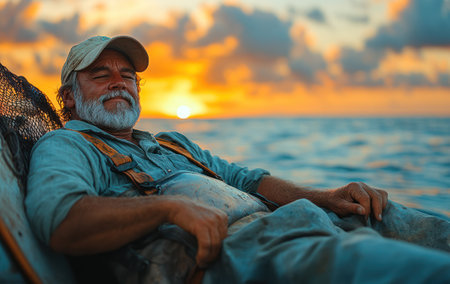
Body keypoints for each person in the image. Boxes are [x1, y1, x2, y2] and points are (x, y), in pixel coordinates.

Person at [25, 35, 450, 284]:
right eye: (101, 76)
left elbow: (246, 179)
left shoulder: (172, 143)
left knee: (398, 218)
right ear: (69, 98)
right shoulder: (68, 146)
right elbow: (61, 222)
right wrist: (167, 206)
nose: (119, 84)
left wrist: (329, 198)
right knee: (406, 269)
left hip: (299, 220)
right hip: (244, 253)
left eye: (128, 76)